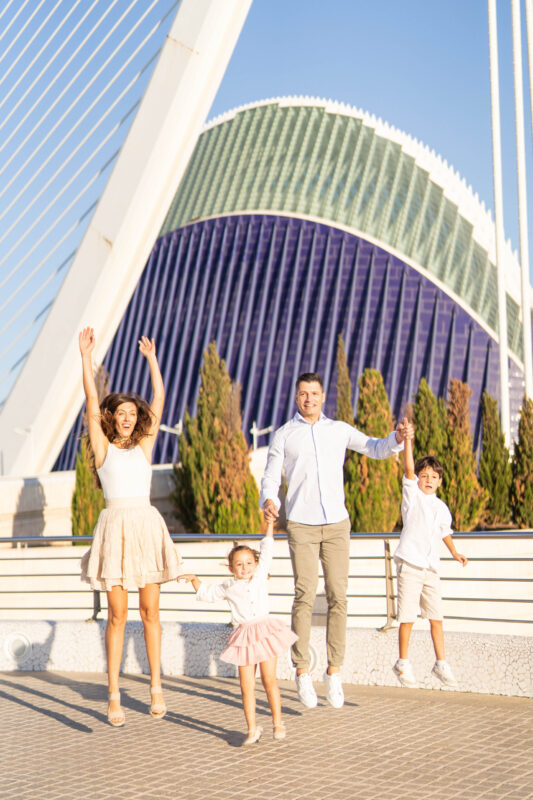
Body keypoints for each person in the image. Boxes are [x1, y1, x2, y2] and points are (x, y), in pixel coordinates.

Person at [260, 372, 411, 709]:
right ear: (296, 397)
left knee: (338, 597)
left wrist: (397, 438)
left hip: (337, 524)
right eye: (303, 394)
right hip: (301, 523)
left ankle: (334, 673)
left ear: (323, 396)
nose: (309, 399)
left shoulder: (338, 430)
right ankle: (301, 671)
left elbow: (374, 448)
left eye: (314, 393)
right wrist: (270, 501)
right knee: (303, 595)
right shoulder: (284, 435)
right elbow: (270, 477)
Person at [79, 327, 182, 727]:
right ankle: (114, 693)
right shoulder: (103, 448)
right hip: (114, 527)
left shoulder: (144, 446)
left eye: (131, 415)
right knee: (118, 615)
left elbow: (159, 399)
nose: (127, 419)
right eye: (120, 414)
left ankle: (156, 686)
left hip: (145, 526)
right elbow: (90, 402)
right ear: (112, 418)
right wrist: (85, 358)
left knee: (150, 611)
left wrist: (152, 361)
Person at [178, 518, 296, 745]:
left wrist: (270, 524)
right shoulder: (227, 586)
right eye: (239, 564)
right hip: (244, 636)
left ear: (255, 564)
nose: (244, 568)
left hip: (266, 631)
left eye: (249, 563)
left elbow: (268, 547)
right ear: (231, 568)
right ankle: (252, 729)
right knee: (246, 685)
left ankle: (278, 722)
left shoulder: (260, 576)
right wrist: (194, 579)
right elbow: (207, 593)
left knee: (269, 679)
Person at [392, 418, 468, 689]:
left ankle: (441, 664)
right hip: (410, 565)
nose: (428, 480)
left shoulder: (441, 507)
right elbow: (409, 467)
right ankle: (402, 663)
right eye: (424, 476)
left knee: (437, 618)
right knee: (408, 617)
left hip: (430, 568)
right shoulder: (412, 497)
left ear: (440, 481)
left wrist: (455, 552)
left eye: (433, 477)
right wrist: (408, 440)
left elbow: (444, 532)